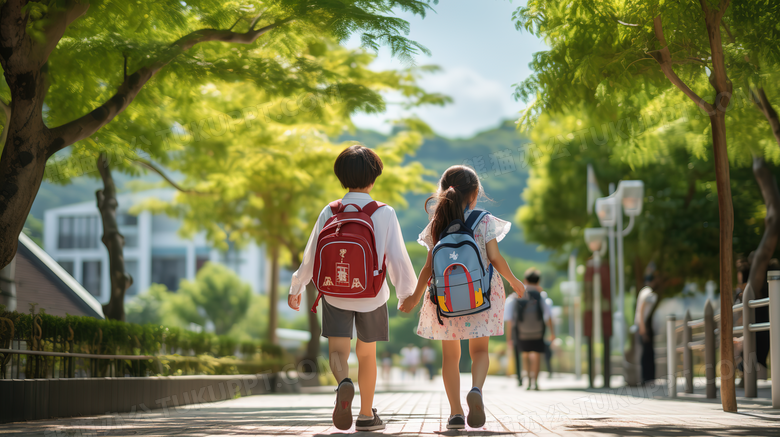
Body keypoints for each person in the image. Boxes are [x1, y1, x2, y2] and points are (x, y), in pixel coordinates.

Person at [288, 145, 417, 432]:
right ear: (373, 178)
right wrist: (407, 294)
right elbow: (397, 256)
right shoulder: (384, 212)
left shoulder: (330, 210)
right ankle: (366, 415)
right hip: (371, 294)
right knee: (367, 354)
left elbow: (311, 253)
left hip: (334, 292)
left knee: (337, 350)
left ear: (341, 176)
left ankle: (344, 384)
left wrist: (297, 286)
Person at [399, 165, 526, 430]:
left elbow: (428, 268)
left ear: (443, 192)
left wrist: (413, 298)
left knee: (450, 357)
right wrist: (514, 281)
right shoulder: (484, 220)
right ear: (475, 193)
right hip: (481, 295)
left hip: (446, 301)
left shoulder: (437, 224)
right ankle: (476, 390)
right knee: (479, 351)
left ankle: (456, 412)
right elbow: (495, 258)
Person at [512, 267, 554, 391]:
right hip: (538, 331)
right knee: (536, 355)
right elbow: (548, 315)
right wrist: (552, 333)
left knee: (525, 355)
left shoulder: (519, 294)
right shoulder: (541, 295)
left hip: (522, 331)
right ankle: (535, 382)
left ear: (525, 280)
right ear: (538, 281)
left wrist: (511, 335)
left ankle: (528, 382)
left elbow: (511, 317)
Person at [634, 272, 658, 385]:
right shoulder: (648, 293)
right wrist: (643, 328)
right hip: (644, 325)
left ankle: (646, 378)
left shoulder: (642, 291)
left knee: (646, 352)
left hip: (641, 324)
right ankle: (647, 378)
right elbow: (641, 311)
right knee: (647, 353)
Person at [504, 286, 523, 386]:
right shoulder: (526, 298)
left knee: (517, 355)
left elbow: (509, 321)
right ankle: (530, 376)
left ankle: (520, 377)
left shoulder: (510, 300)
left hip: (516, 332)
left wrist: (509, 338)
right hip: (529, 331)